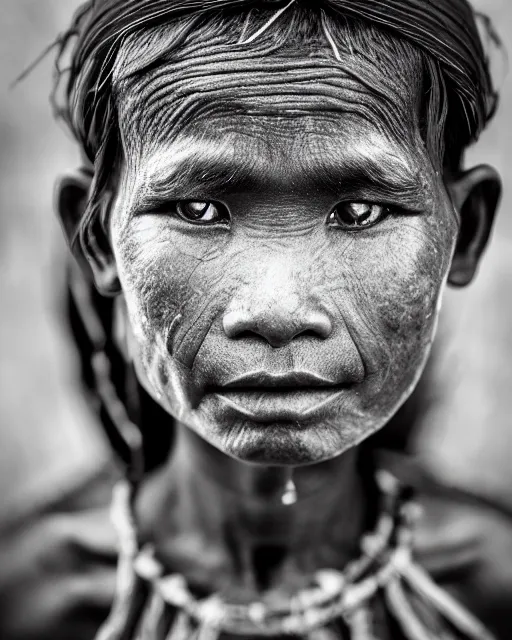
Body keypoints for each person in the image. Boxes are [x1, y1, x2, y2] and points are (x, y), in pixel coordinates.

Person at [2, 0, 510, 638]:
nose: (277, 310)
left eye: (359, 211)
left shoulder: (497, 588)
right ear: (99, 240)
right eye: (196, 208)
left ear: (464, 234)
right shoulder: (23, 600)